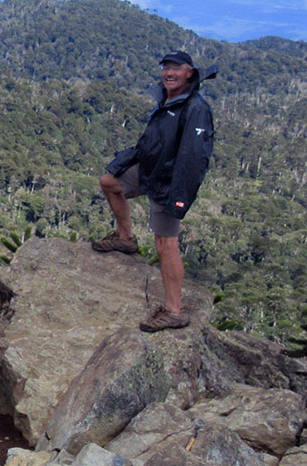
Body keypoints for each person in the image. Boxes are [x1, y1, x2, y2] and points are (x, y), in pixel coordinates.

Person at [92, 50, 215, 332]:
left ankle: (174, 310)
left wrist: (179, 197)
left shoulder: (196, 108)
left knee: (165, 242)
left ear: (190, 73)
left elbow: (194, 157)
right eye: (166, 68)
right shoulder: (169, 99)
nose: (169, 73)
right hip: (150, 169)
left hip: (170, 181)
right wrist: (124, 163)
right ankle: (125, 237)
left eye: (176, 68)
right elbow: (151, 141)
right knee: (109, 182)